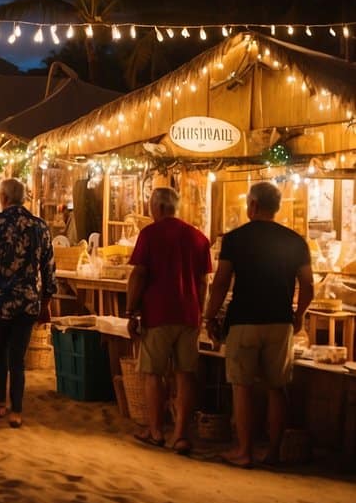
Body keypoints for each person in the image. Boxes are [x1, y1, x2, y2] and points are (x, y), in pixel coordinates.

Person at [204, 182, 313, 468]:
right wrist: (299, 314)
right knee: (278, 387)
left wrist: (209, 316)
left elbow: (221, 282)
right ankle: (274, 452)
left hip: (244, 321)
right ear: (276, 207)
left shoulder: (235, 238)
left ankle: (244, 450)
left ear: (252, 205)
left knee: (242, 387)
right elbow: (308, 285)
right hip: (280, 321)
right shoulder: (295, 240)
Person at [126, 187, 212, 454]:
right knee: (185, 374)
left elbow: (139, 274)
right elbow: (203, 282)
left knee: (153, 373)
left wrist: (131, 311)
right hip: (189, 315)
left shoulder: (150, 234)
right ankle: (181, 435)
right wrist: (200, 312)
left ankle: (155, 431)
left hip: (158, 313)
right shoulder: (198, 237)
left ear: (158, 207)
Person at [0, 178, 56, 428]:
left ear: (4, 198)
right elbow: (49, 267)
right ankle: (16, 410)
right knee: (18, 358)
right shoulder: (39, 227)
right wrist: (47, 299)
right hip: (29, 301)